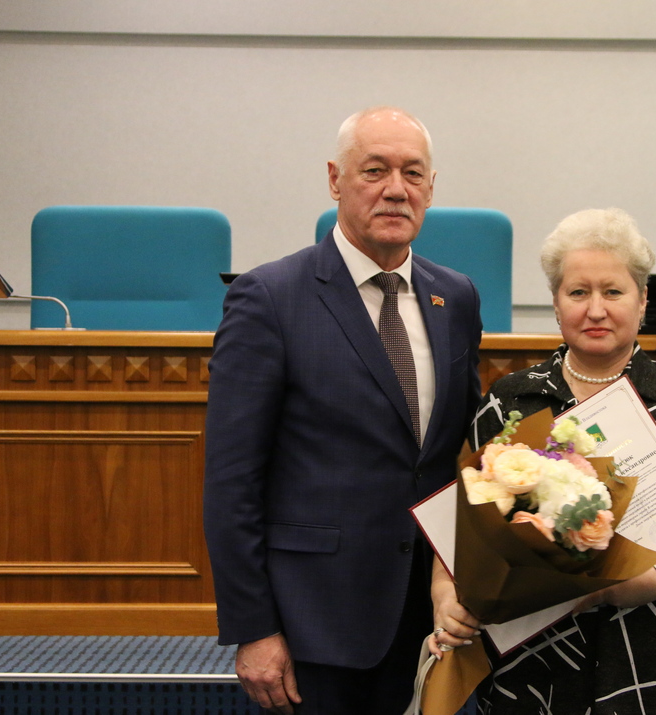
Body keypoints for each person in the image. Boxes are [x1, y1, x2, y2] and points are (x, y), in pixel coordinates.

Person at [430, 208, 656, 714]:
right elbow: (457, 521)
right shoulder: (512, 399)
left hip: (645, 659)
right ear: (555, 303)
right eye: (578, 292)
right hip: (529, 668)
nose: (596, 310)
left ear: (642, 301)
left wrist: (652, 580)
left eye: (613, 292)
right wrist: (444, 595)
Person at [203, 106, 483, 715]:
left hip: (432, 619)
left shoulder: (456, 296)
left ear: (431, 187)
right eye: (374, 170)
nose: (396, 189)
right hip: (315, 623)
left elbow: (462, 450)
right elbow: (231, 480)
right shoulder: (269, 297)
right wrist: (253, 627)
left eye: (413, 173)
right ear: (335, 180)